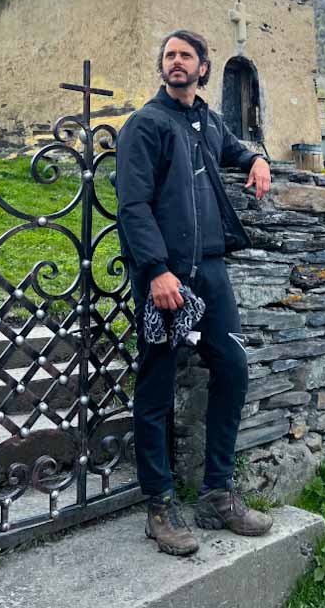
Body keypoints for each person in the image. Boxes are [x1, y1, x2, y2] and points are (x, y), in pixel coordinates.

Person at [115, 29, 273, 556]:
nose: (176, 62)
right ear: (162, 68)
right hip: (165, 277)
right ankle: (159, 505)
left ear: (203, 67)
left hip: (210, 269)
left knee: (232, 365)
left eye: (185, 56)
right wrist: (156, 270)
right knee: (156, 383)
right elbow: (133, 205)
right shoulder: (146, 125)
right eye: (169, 56)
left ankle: (217, 493)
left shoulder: (207, 121)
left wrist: (255, 159)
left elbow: (233, 149)